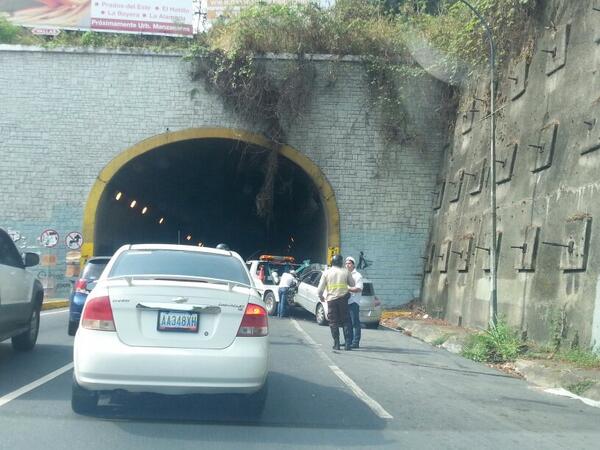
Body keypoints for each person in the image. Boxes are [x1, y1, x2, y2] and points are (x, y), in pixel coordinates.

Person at [317, 255, 355, 351]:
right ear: (341, 262)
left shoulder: (327, 273)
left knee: (333, 322)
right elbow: (352, 284)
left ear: (332, 262)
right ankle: (347, 344)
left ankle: (337, 344)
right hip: (343, 300)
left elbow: (320, 289)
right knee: (346, 321)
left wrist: (321, 297)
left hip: (331, 301)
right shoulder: (346, 272)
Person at [345, 256, 364, 349]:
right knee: (348, 323)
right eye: (346, 263)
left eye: (349, 263)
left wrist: (347, 288)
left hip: (354, 302)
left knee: (355, 323)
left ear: (353, 264)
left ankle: (356, 342)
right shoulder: (344, 274)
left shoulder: (358, 276)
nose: (347, 265)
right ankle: (349, 342)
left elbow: (359, 288)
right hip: (346, 302)